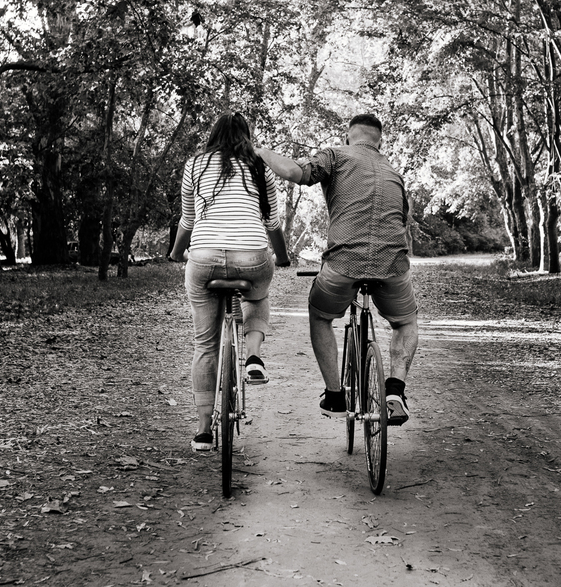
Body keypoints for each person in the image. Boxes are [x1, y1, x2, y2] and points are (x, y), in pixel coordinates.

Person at [256, 113, 417, 426]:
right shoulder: (393, 173)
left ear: (348, 137)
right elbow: (404, 224)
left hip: (343, 263)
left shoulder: (335, 155)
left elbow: (293, 171)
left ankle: (334, 395)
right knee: (406, 323)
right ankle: (395, 389)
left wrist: (262, 153)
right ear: (380, 141)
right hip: (393, 265)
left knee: (320, 314)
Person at [169, 113, 290, 452]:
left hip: (204, 260)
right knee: (258, 296)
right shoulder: (259, 165)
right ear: (246, 136)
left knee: (204, 346)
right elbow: (272, 223)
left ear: (214, 135)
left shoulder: (195, 164)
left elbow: (188, 220)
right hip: (251, 256)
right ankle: (253, 357)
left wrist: (177, 253)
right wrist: (281, 258)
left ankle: (204, 430)